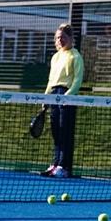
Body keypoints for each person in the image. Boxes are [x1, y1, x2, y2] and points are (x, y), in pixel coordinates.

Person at [42, 23, 84, 178]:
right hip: (54, 94)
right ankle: (55, 164)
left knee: (65, 132)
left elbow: (77, 80)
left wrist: (67, 96)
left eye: (63, 37)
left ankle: (64, 166)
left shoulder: (75, 56)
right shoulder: (55, 57)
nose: (59, 40)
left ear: (70, 38)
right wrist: (46, 97)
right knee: (56, 132)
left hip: (67, 96)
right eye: (57, 38)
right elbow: (51, 80)